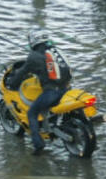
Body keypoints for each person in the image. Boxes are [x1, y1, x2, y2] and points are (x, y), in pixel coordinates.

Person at [7, 27, 72, 155]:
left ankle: (38, 145)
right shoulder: (56, 50)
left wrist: (12, 83)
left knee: (32, 113)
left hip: (52, 93)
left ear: (33, 40)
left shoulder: (34, 57)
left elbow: (23, 72)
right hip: (67, 89)